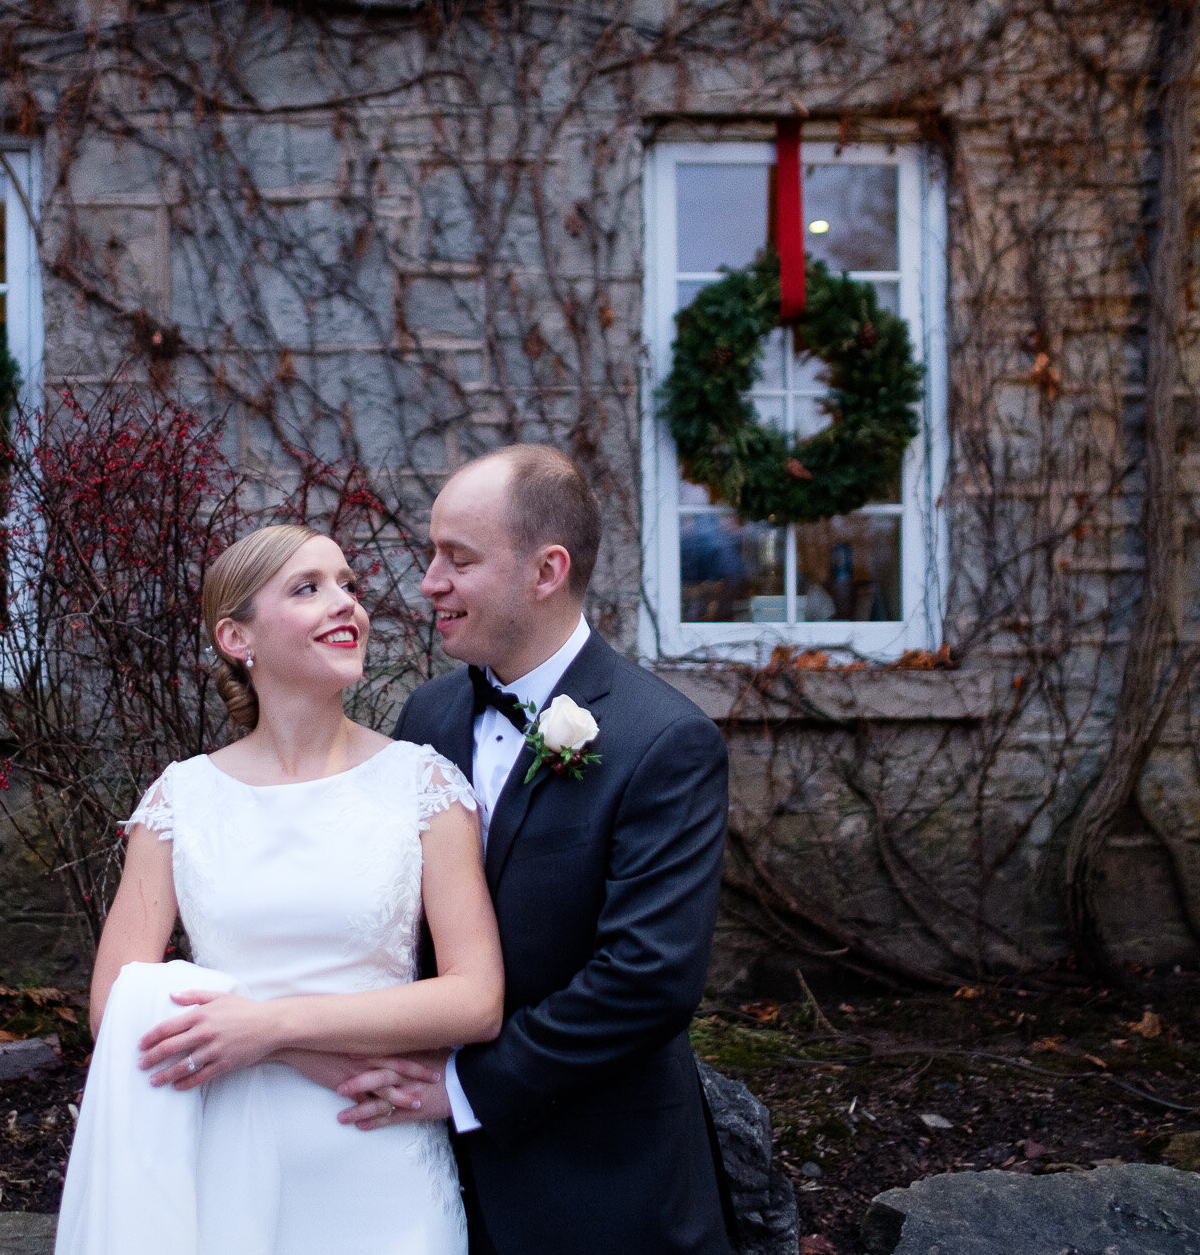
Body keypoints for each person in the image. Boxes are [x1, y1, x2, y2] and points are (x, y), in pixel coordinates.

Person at [56, 524, 503, 1255]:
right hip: (225, 1158)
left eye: (349, 585)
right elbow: (114, 1007)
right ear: (238, 637)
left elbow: (476, 997)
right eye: (309, 588)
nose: (346, 605)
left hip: (379, 1160)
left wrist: (269, 1026)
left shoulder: (423, 784)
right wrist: (287, 1050)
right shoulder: (180, 801)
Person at [338, 445, 736, 1255]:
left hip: (601, 1185)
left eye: (459, 558)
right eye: (432, 554)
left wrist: (464, 1087)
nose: (428, 583)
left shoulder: (664, 741)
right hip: (422, 1174)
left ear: (547, 569)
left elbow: (647, 979)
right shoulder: (429, 716)